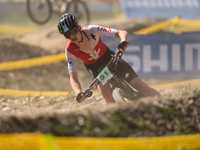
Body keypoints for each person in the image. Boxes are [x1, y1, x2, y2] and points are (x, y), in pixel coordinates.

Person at [57, 13, 161, 103]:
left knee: (140, 86)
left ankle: (166, 101)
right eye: (67, 35)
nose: (72, 36)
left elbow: (122, 33)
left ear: (79, 27)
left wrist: (123, 43)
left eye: (73, 31)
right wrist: (78, 93)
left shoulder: (91, 30)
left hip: (110, 58)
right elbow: (73, 78)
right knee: (105, 93)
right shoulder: (69, 49)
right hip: (95, 68)